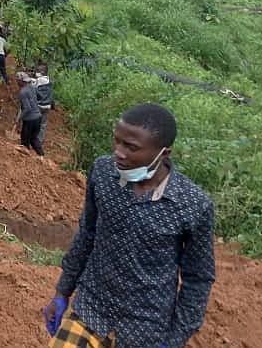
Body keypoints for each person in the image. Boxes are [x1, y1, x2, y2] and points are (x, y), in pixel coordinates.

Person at [43, 104, 215, 348]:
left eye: (131, 147)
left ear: (163, 153)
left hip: (145, 330)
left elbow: (198, 278)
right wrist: (62, 293)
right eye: (117, 142)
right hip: (91, 311)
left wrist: (174, 340)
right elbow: (87, 234)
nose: (119, 153)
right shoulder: (103, 173)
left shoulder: (192, 204)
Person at [14, 72, 43, 155]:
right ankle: (41, 156)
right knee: (33, 139)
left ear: (22, 81)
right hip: (38, 117)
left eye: (17, 80)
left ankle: (26, 159)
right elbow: (39, 97)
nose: (16, 82)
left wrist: (19, 119)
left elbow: (27, 108)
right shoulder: (32, 87)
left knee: (24, 140)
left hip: (30, 120)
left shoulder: (23, 92)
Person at [35, 63, 54, 155]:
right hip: (47, 106)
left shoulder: (38, 80)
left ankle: (33, 140)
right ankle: (39, 141)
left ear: (42, 72)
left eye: (38, 71)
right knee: (43, 125)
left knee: (35, 122)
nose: (36, 73)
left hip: (39, 105)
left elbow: (33, 88)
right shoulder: (49, 81)